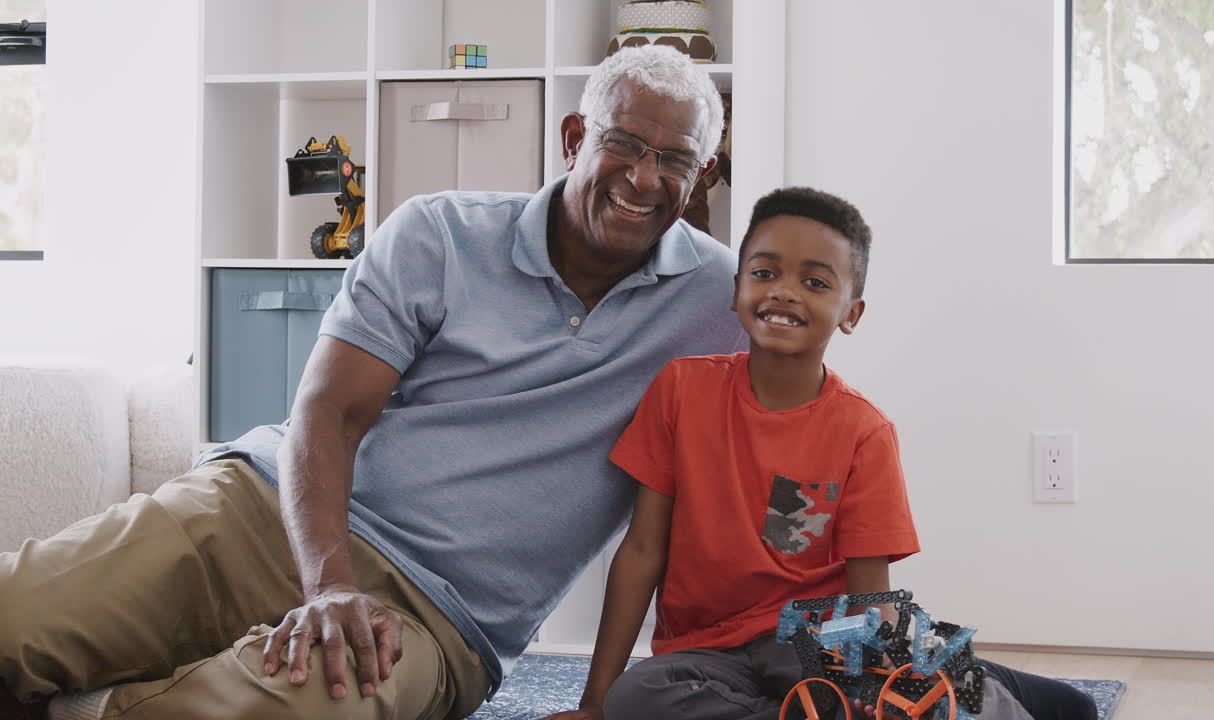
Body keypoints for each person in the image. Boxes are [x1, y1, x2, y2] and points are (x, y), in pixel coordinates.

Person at [0, 45, 747, 720]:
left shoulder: (725, 302)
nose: (644, 178)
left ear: (703, 175)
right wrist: (329, 585)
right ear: (575, 138)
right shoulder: (440, 233)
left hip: (440, 619)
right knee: (19, 619)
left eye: (674, 159)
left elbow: (804, 427)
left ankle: (89, 703)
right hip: (260, 517)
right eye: (623, 144)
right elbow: (329, 410)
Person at [542, 187, 1098, 720]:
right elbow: (641, 551)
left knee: (902, 690)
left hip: (822, 639)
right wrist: (596, 701)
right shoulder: (680, 391)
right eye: (765, 273)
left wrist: (880, 680)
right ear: (736, 290)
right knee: (638, 699)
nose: (784, 291)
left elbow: (870, 598)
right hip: (706, 654)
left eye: (814, 281)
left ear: (851, 313)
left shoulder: (863, 430)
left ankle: (977, 684)